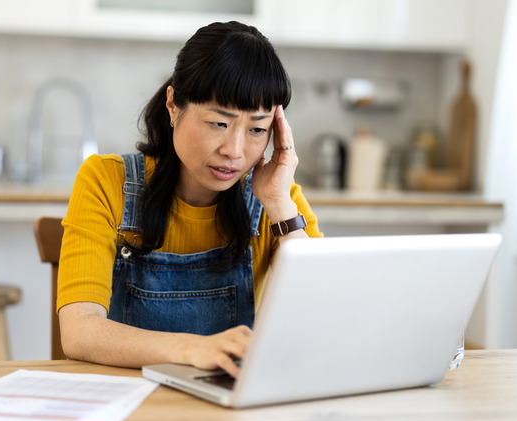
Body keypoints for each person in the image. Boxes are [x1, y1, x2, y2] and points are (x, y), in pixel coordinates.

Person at [57, 21, 322, 377]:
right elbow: (79, 332)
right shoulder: (107, 182)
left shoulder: (278, 200)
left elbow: (322, 320)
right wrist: (192, 348)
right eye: (218, 123)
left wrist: (279, 207)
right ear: (173, 105)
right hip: (126, 401)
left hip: (228, 410)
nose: (235, 151)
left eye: (257, 129)